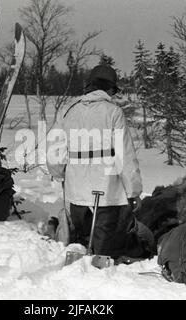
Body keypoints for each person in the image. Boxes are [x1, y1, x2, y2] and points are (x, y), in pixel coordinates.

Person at [46, 64, 143, 259]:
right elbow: (125, 155)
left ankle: (78, 273)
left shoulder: (68, 111)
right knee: (105, 249)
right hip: (107, 192)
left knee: (81, 241)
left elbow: (54, 149)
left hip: (76, 191)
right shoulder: (113, 112)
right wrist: (133, 191)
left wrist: (59, 172)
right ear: (109, 89)